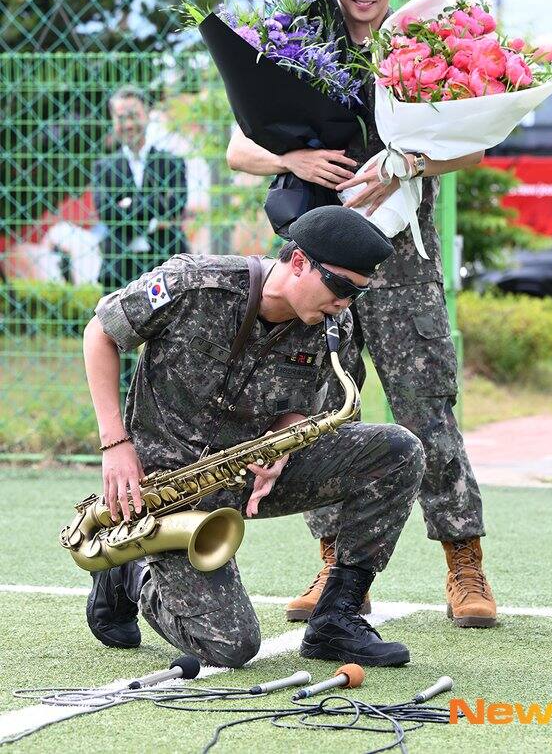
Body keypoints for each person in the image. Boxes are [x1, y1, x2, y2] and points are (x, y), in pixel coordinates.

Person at [226, 0, 497, 629]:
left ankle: (463, 562)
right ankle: (336, 565)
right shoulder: (294, 41)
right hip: (318, 261)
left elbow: (475, 146)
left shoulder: (429, 43)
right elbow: (237, 146)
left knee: (425, 404)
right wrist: (293, 159)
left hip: (401, 256)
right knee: (319, 412)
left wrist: (408, 159)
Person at [83, 206, 425, 667]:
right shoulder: (195, 283)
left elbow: (301, 406)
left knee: (400, 451)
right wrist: (115, 445)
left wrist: (283, 446)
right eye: (341, 287)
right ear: (299, 261)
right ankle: (132, 571)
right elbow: (100, 333)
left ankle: (336, 619)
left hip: (250, 473)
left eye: (357, 294)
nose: (346, 304)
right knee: (231, 646)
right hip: (163, 486)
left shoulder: (332, 324)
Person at [93, 86, 189, 391]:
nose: (128, 123)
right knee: (118, 341)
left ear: (146, 115)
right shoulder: (103, 168)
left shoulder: (171, 162)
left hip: (163, 266)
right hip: (119, 267)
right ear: (113, 121)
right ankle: (122, 415)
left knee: (166, 338)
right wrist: (152, 209)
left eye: (133, 115)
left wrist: (128, 206)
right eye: (121, 117)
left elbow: (176, 205)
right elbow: (106, 213)